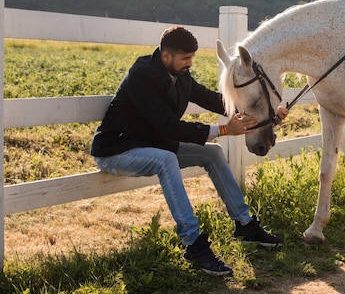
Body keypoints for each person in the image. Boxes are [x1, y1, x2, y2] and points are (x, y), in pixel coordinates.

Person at [91, 25, 288, 276]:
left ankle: (245, 226)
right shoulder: (142, 75)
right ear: (166, 56)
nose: (190, 63)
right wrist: (223, 131)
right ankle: (193, 243)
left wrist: (267, 114)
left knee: (213, 153)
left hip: (152, 144)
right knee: (166, 160)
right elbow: (168, 126)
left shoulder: (180, 75)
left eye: (192, 58)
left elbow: (215, 100)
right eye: (185, 58)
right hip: (117, 150)